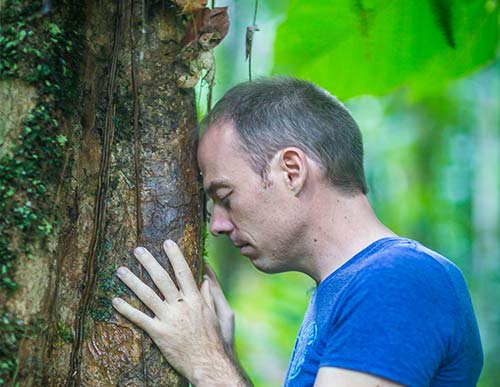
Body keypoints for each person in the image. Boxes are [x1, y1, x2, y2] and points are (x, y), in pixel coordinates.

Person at [112, 77, 483, 387]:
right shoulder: (350, 288)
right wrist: (223, 356)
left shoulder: (398, 280)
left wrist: (206, 364)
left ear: (291, 171)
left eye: (225, 197)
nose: (218, 225)